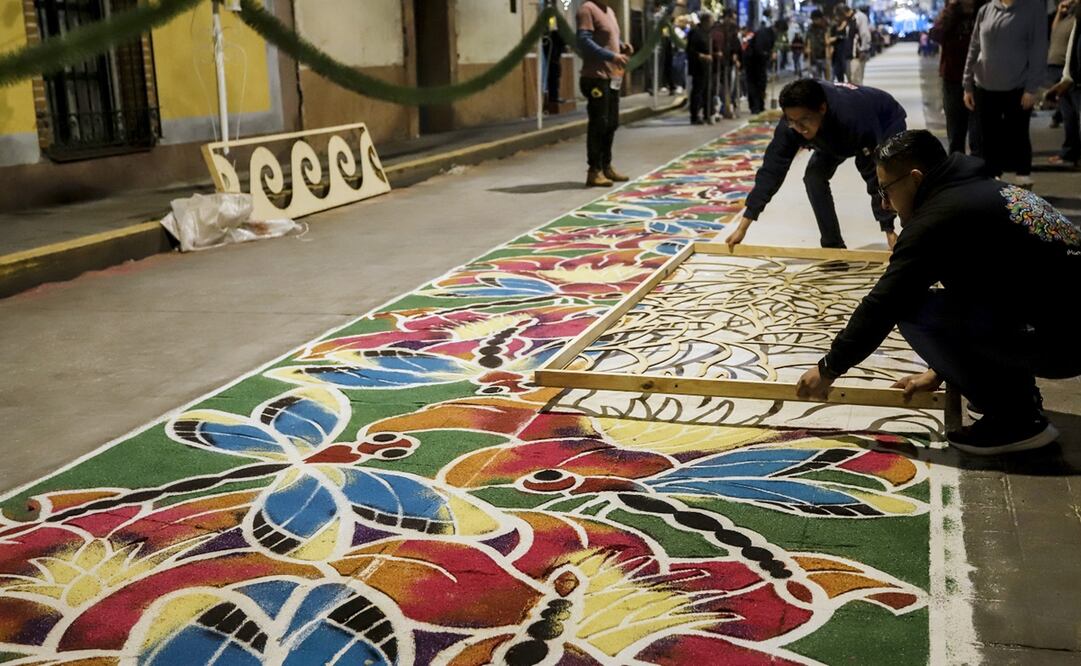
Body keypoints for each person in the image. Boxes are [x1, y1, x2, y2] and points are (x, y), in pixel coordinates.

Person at [796, 130, 1081, 454]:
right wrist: (941, 370)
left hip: (1063, 341)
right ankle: (1015, 400)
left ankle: (1017, 421)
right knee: (964, 299)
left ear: (915, 179)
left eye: (885, 190)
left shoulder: (938, 219)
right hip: (1059, 324)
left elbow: (884, 303)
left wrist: (829, 368)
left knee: (913, 309)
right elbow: (985, 285)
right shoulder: (979, 189)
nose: (884, 203)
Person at [725, 79, 906, 250]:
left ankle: (910, 229)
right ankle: (832, 246)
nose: (799, 128)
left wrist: (888, 228)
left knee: (894, 175)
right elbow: (772, 171)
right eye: (792, 121)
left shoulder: (853, 120)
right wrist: (744, 225)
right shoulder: (791, 125)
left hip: (884, 119)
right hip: (831, 133)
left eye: (804, 120)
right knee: (814, 177)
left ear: (822, 109)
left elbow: (875, 174)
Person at [962, 0, 1048, 188]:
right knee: (988, 136)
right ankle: (992, 175)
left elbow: (1039, 49)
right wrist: (967, 84)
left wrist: (1032, 88)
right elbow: (974, 47)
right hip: (984, 85)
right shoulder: (986, 10)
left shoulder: (1033, 9)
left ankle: (1023, 173)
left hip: (1017, 85)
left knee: (1018, 132)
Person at [577, 0, 635, 187]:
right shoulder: (587, 9)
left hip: (612, 76)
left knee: (611, 123)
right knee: (599, 123)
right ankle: (594, 170)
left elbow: (608, 38)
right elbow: (584, 40)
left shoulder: (609, 11)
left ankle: (606, 166)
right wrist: (612, 56)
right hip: (596, 77)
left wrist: (621, 46)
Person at [930, 0, 984, 154]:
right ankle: (957, 166)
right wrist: (951, 9)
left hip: (980, 79)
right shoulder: (950, 13)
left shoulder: (984, 10)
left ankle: (977, 166)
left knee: (978, 135)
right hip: (953, 78)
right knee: (955, 134)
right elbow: (936, 34)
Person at [1046, 0, 1080, 167]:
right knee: (1068, 114)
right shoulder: (1066, 17)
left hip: (1068, 70)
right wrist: (1060, 13)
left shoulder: (1077, 18)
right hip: (1057, 69)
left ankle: (1071, 152)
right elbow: (1054, 33)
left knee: (1073, 114)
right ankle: (1069, 151)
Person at [745, 12, 776, 113]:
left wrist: (771, 54)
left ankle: (760, 105)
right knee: (754, 84)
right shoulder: (764, 34)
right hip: (753, 61)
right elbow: (759, 49)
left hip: (760, 62)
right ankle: (755, 106)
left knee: (761, 84)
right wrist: (768, 55)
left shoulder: (770, 34)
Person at [687, 12, 715, 124]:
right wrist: (702, 56)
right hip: (698, 67)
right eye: (711, 22)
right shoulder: (695, 33)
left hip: (707, 67)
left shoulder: (708, 33)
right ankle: (695, 115)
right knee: (698, 91)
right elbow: (690, 50)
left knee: (707, 90)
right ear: (705, 22)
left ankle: (708, 113)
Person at [835, 4, 872, 85]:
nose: (840, 19)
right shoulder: (849, 20)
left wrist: (863, 50)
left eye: (839, 17)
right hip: (850, 55)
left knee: (856, 81)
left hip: (858, 54)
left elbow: (865, 34)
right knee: (851, 81)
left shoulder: (859, 17)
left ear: (843, 13)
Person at [807, 10, 829, 80]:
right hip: (814, 58)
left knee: (827, 79)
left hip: (824, 56)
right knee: (816, 79)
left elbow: (827, 42)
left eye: (817, 19)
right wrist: (808, 59)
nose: (815, 21)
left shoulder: (825, 28)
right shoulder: (810, 29)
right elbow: (808, 43)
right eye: (814, 19)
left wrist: (828, 57)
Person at [828, 14, 850, 82]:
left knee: (846, 71)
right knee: (838, 73)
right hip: (836, 53)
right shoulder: (833, 27)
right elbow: (829, 39)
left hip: (844, 52)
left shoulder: (847, 25)